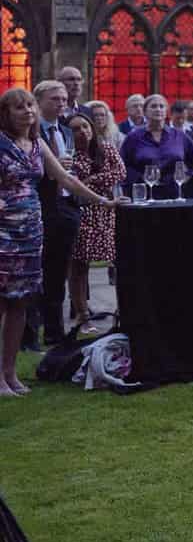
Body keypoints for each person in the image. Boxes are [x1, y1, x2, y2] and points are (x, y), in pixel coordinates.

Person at [0, 89, 115, 394]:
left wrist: (102, 201)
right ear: (6, 113)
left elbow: (66, 179)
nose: (26, 111)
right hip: (3, 231)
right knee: (2, 300)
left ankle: (9, 374)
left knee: (20, 301)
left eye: (29, 106)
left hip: (31, 229)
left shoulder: (37, 144)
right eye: (18, 107)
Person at [28, 80, 83, 347]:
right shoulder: (29, 133)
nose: (61, 103)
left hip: (65, 208)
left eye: (63, 99)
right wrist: (51, 167)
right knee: (32, 274)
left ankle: (54, 332)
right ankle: (28, 335)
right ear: (38, 102)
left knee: (58, 274)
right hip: (37, 208)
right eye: (54, 99)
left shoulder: (66, 131)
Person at [63, 111, 124, 329]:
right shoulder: (68, 153)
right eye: (76, 129)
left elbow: (119, 172)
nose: (82, 132)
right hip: (81, 211)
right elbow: (67, 181)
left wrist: (89, 180)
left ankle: (121, 311)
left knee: (116, 262)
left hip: (106, 212)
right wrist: (91, 184)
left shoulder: (106, 148)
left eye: (85, 127)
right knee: (79, 265)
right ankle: (82, 315)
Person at [120, 93, 193, 201]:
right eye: (153, 106)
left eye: (161, 106)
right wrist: (139, 178)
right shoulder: (133, 137)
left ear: (166, 112)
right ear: (145, 112)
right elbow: (122, 165)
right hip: (144, 197)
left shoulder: (179, 136)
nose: (158, 109)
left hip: (174, 195)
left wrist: (189, 175)